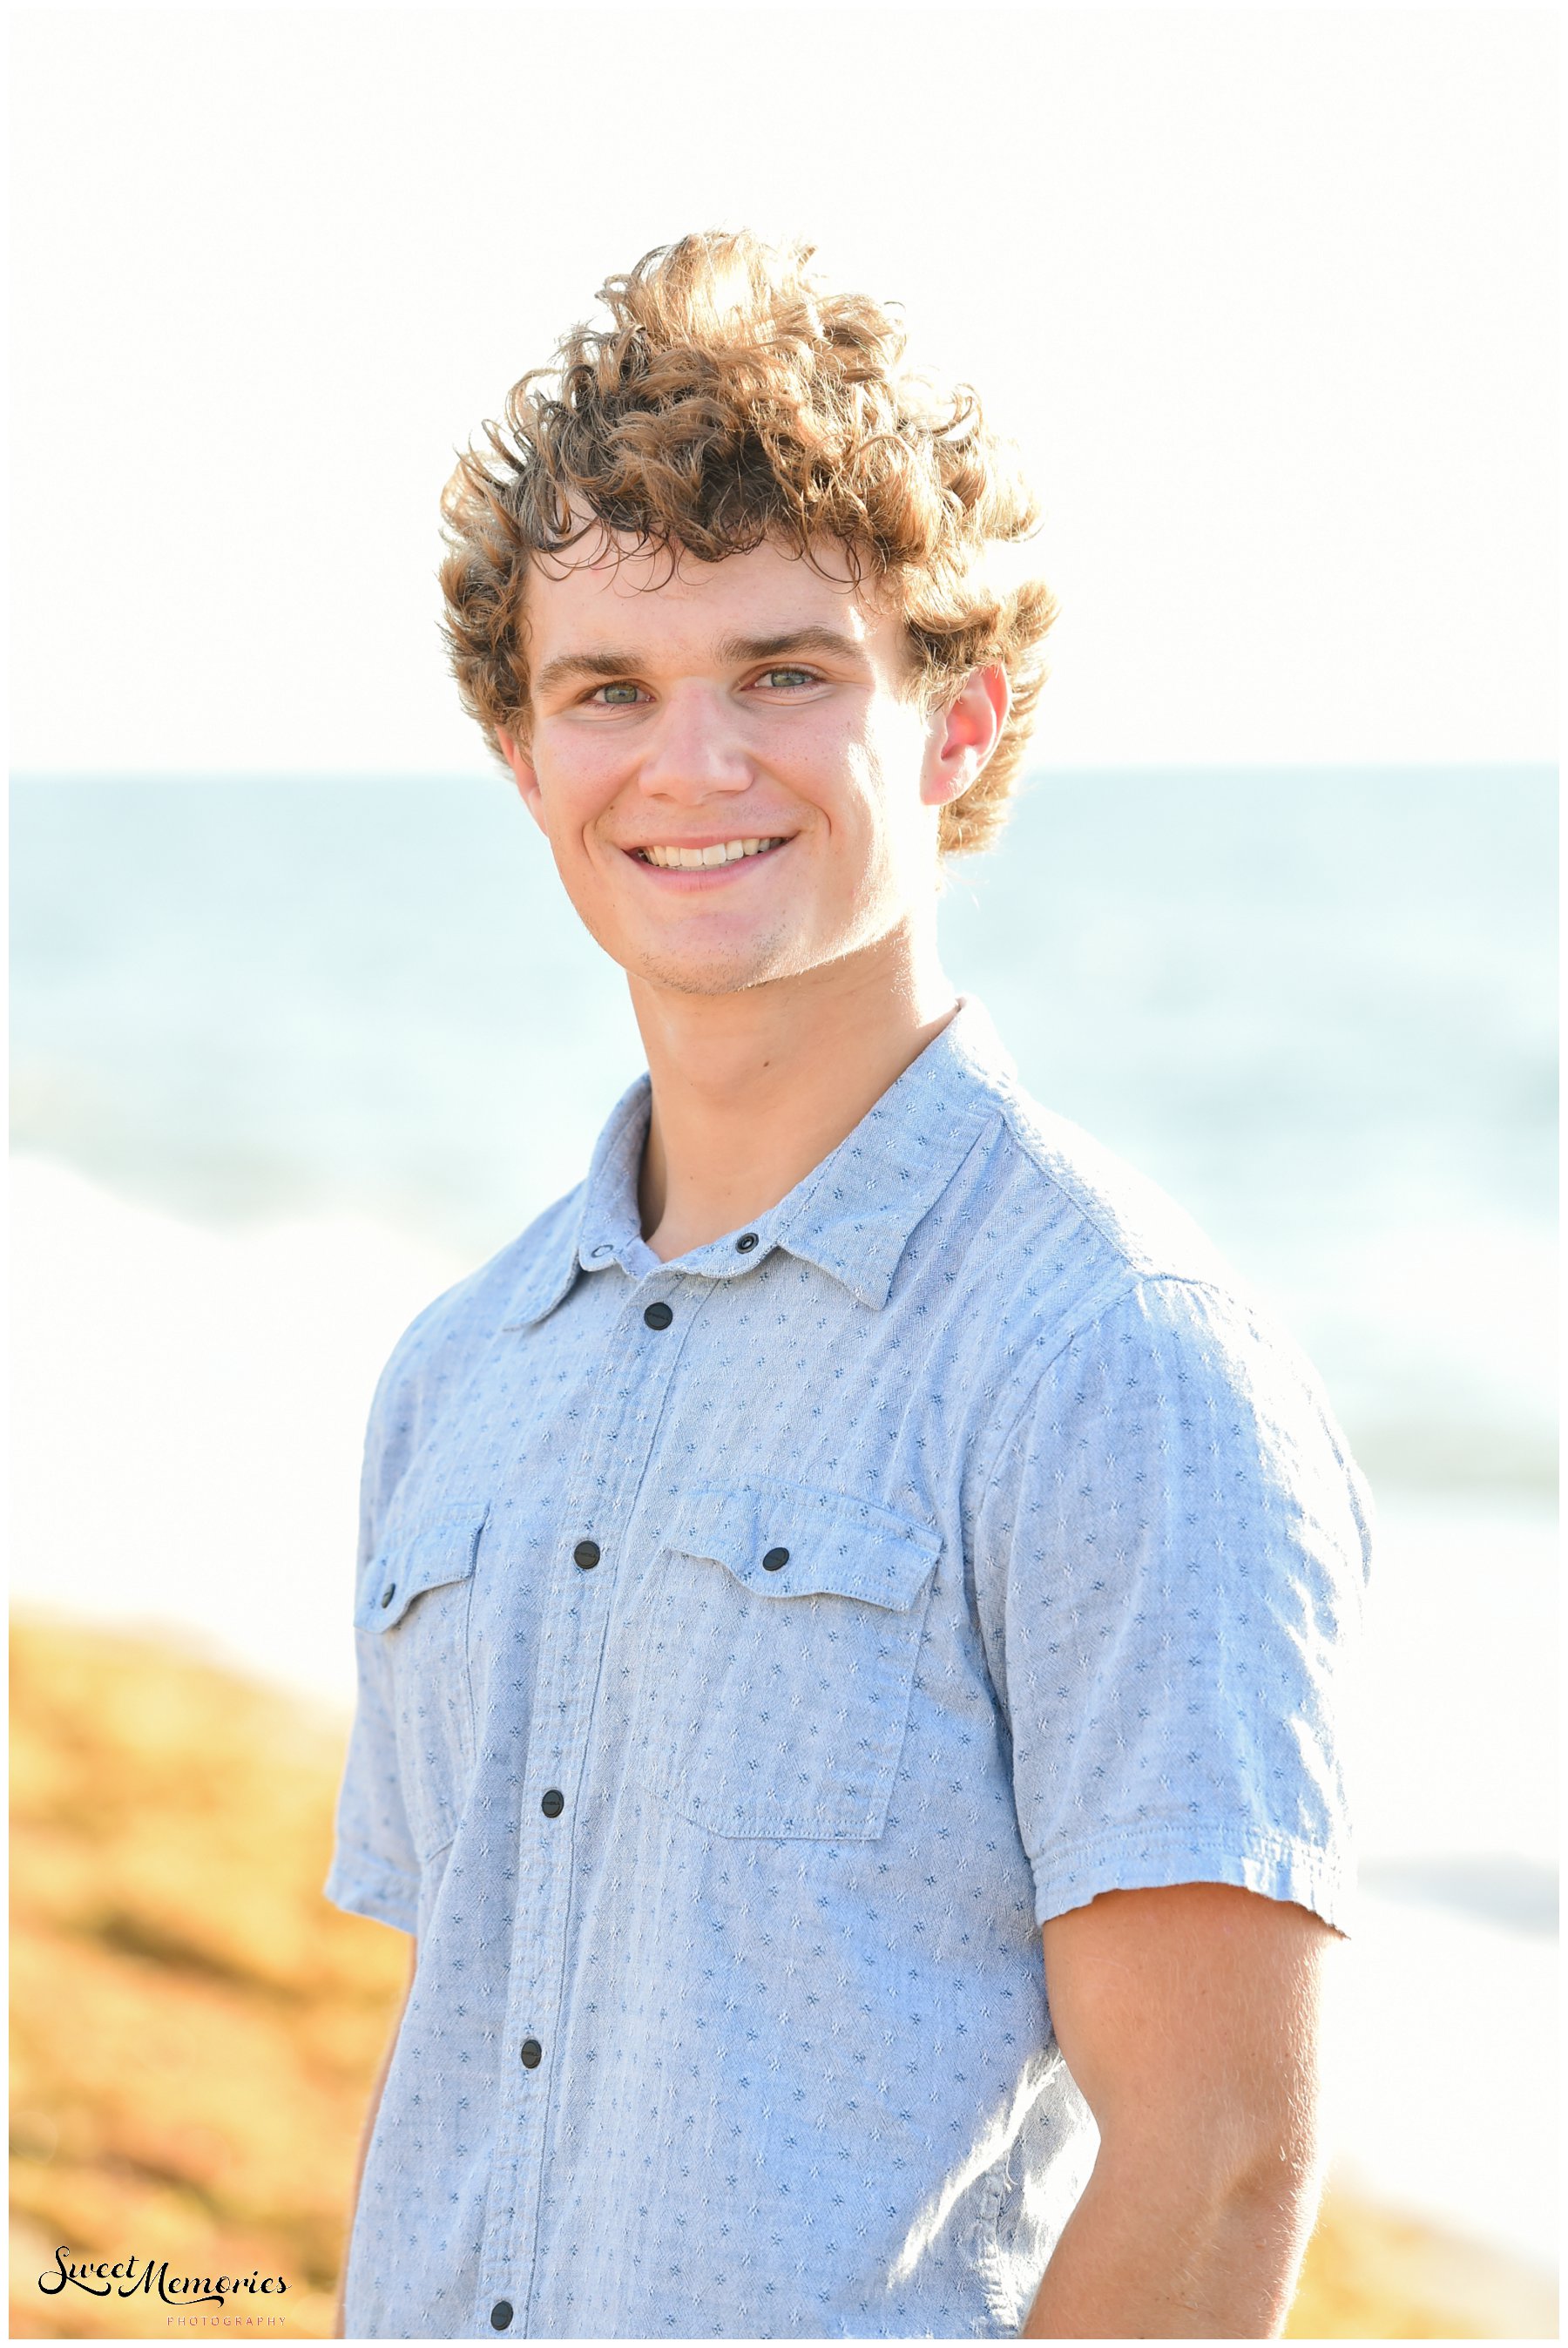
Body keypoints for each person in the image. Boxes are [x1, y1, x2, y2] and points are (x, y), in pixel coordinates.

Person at [325, 229, 1372, 2340]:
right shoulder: (455, 1377)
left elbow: (1223, 2158)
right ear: (525, 758)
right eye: (606, 689)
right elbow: (475, 2063)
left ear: (959, 722)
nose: (690, 766)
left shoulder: (1118, 1361)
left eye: (787, 672)